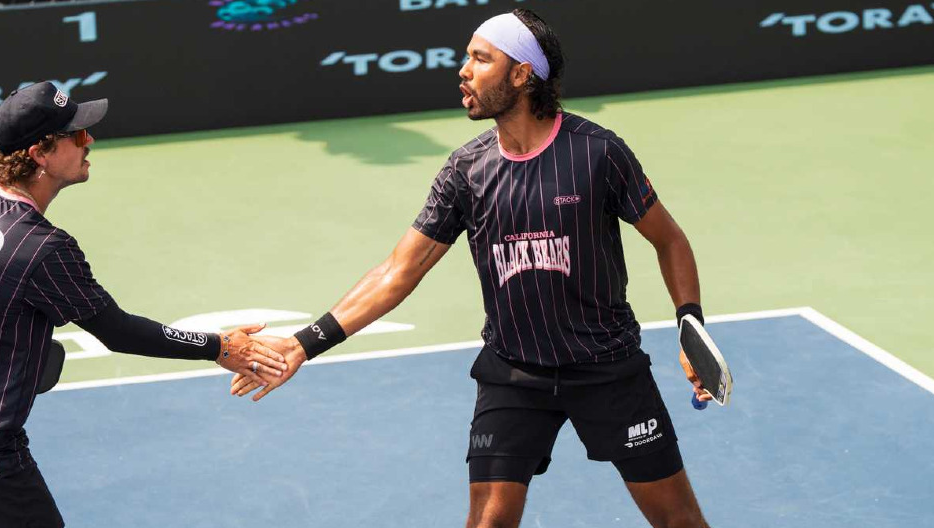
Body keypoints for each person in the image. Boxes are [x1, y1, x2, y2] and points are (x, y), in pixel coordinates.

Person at [230, 9, 712, 528]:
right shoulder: (466, 171)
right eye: (466, 57)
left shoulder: (597, 154)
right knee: (487, 523)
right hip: (514, 372)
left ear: (522, 74)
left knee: (678, 522)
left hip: (605, 367)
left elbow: (670, 240)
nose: (463, 69)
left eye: (481, 59)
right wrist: (304, 343)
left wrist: (691, 327)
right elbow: (399, 270)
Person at [0, 82, 286, 528]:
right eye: (79, 136)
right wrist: (220, 347)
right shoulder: (42, 249)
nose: (91, 143)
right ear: (40, 154)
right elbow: (119, 331)